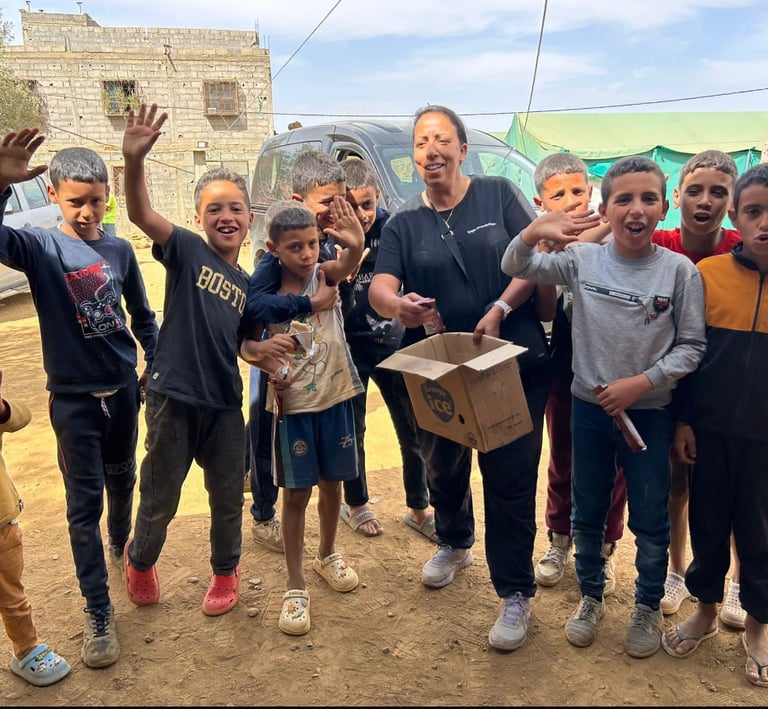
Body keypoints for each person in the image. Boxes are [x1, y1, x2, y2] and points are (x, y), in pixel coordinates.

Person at [501, 155, 707, 659]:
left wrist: (642, 384)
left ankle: (646, 605)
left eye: (648, 198)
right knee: (587, 511)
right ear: (606, 208)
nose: (636, 209)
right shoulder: (582, 260)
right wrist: (533, 232)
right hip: (588, 412)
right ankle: (591, 597)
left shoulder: (678, 272)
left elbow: (692, 347)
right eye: (624, 199)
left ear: (664, 207)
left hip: (650, 415)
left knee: (650, 518)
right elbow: (515, 266)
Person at [368, 105, 556, 652]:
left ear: (462, 148)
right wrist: (397, 306)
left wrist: (499, 307)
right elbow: (381, 284)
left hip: (510, 363)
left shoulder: (498, 195)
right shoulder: (404, 222)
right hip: (439, 370)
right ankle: (454, 542)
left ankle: (515, 592)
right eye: (421, 142)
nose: (431, 150)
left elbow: (533, 259)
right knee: (442, 465)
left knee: (509, 478)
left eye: (442, 139)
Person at [0, 130, 158, 670]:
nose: (88, 212)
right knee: (82, 508)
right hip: (73, 404)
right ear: (53, 196)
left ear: (108, 195)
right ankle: (98, 610)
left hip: (123, 394)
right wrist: (0, 183)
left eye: (97, 200)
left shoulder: (119, 250)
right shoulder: (40, 247)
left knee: (124, 481)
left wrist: (154, 365)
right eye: (75, 202)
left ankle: (121, 543)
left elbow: (143, 317)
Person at [121, 103, 249, 617]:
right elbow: (141, 215)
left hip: (224, 407)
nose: (226, 217)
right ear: (198, 218)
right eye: (215, 209)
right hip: (173, 398)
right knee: (160, 496)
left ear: (249, 218)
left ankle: (225, 572)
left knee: (228, 497)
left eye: (235, 208)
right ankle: (140, 560)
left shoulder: (249, 285)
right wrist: (134, 161)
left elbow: (247, 345)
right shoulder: (189, 250)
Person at [660, 162, 768, 688]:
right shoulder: (709, 274)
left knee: (761, 532)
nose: (765, 223)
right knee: (707, 521)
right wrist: (683, 420)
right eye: (755, 211)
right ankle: (704, 610)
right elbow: (689, 355)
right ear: (736, 218)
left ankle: (758, 628)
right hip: (709, 431)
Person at [239, 199, 365, 636]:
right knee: (295, 494)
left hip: (336, 397)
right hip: (291, 409)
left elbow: (346, 263)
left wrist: (356, 243)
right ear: (274, 249)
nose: (308, 253)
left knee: (333, 483)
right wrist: (267, 359)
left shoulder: (325, 273)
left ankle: (327, 553)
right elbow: (247, 344)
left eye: (312, 243)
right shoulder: (265, 295)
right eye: (296, 247)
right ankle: (295, 584)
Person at [652, 150, 745, 627]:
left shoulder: (743, 250)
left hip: (728, 389)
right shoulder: (661, 244)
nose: (705, 201)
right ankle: (676, 571)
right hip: (673, 387)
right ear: (676, 197)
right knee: (678, 485)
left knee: (736, 491)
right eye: (695, 190)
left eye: (718, 192)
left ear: (732, 203)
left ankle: (738, 584)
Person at [530, 153, 625, 594]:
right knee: (563, 455)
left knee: (615, 463)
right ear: (540, 202)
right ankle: (559, 537)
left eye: (577, 191)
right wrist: (546, 261)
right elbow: (547, 311)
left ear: (591, 192)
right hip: (566, 363)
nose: (570, 201)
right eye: (558, 195)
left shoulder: (617, 238)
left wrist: (600, 228)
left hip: (618, 367)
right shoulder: (542, 243)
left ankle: (604, 546)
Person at [0, 369, 71, 686]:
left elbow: (20, 416)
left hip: (2, 526)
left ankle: (26, 650)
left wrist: (2, 408)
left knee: (13, 598)